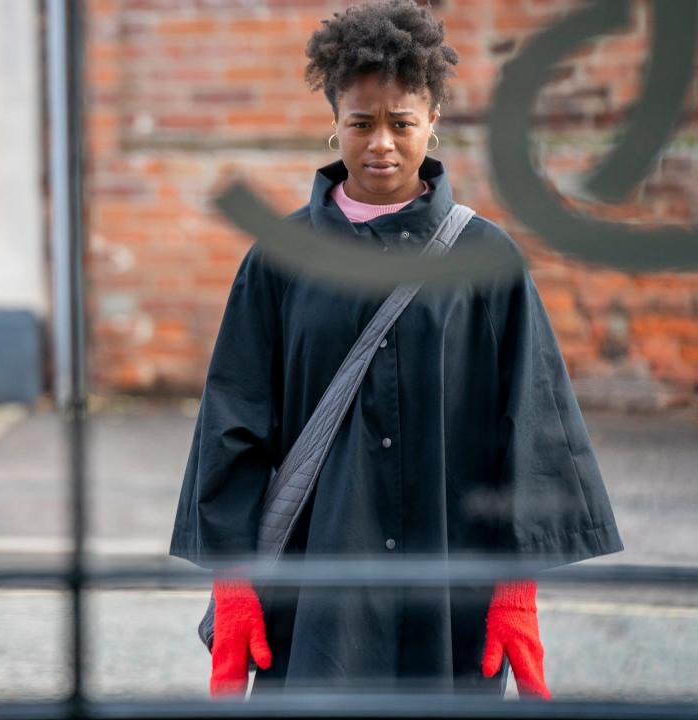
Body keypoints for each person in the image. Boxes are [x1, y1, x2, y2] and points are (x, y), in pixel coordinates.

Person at [169, 0, 623, 699]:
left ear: (433, 122)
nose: (381, 143)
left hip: (449, 587)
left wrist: (515, 592)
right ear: (334, 124)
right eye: (361, 123)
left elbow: (532, 426)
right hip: (315, 592)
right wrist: (234, 589)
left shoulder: (487, 259)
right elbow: (233, 424)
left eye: (402, 123)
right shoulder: (278, 261)